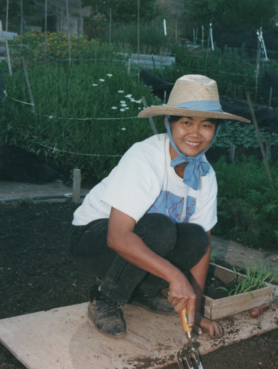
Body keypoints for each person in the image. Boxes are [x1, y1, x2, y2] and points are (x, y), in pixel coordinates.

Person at [69, 74, 249, 340]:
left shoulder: (205, 174)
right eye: (186, 122)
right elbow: (117, 236)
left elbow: (203, 246)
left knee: (195, 237)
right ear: (169, 122)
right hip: (92, 239)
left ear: (216, 130)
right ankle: (105, 297)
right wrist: (176, 277)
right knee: (161, 229)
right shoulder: (146, 157)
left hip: (143, 241)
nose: (195, 133)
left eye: (206, 125)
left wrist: (195, 310)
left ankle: (141, 291)